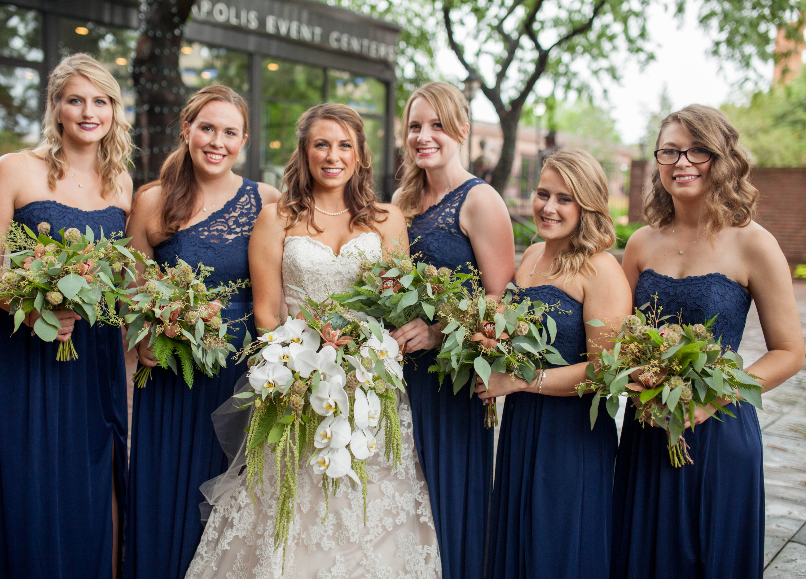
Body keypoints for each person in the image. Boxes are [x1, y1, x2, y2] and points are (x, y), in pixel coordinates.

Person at [185, 102, 441, 577]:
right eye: (321, 144)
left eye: (345, 145)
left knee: (368, 512)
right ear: (303, 152)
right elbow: (266, 314)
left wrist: (365, 358)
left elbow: (397, 305)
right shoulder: (276, 218)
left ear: (361, 155)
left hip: (372, 390)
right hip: (298, 386)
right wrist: (304, 365)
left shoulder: (388, 220)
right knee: (291, 513)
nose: (333, 155)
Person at [611, 104, 805, 578]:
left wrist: (713, 395)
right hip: (648, 431)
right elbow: (616, 337)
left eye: (698, 150)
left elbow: (790, 351)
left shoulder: (753, 242)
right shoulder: (640, 244)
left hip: (719, 431)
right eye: (671, 151)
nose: (683, 162)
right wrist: (631, 372)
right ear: (657, 162)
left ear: (723, 159)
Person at [0, 53, 133, 578]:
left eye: (100, 101)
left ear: (113, 110)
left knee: (92, 467)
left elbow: (123, 274)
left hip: (94, 350)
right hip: (25, 345)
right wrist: (34, 306)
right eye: (76, 100)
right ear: (57, 109)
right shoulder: (15, 169)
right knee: (31, 469)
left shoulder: (122, 184)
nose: (89, 111)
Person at [123, 85, 278, 579]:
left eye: (229, 132)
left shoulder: (266, 201)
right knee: (166, 483)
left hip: (240, 374)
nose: (217, 141)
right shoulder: (150, 200)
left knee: (230, 494)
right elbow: (134, 291)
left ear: (244, 140)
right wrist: (145, 334)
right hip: (171, 370)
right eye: (207, 128)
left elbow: (280, 292)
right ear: (186, 129)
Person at [474, 149, 632, 578]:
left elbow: (606, 372)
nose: (548, 207)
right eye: (543, 194)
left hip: (572, 435)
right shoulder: (530, 256)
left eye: (565, 198)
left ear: (588, 205)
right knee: (516, 541)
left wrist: (523, 382)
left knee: (558, 549)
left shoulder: (602, 271)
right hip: (522, 425)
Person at [390, 81, 515, 579]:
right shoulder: (401, 201)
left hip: (452, 381)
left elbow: (502, 298)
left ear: (461, 129)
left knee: (447, 496)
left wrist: (442, 330)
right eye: (416, 126)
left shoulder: (480, 201)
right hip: (399, 374)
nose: (425, 136)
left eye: (437, 125)